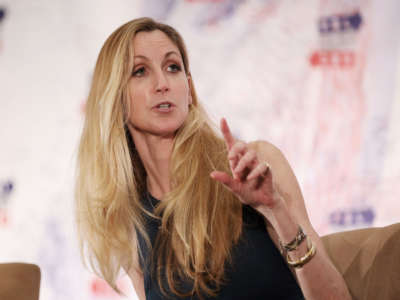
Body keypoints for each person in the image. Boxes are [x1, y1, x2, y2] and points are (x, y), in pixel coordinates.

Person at [75, 17, 352, 300]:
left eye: (173, 67)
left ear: (189, 90)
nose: (162, 83)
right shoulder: (131, 226)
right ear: (115, 99)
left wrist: (275, 210)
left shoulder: (256, 166)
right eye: (140, 71)